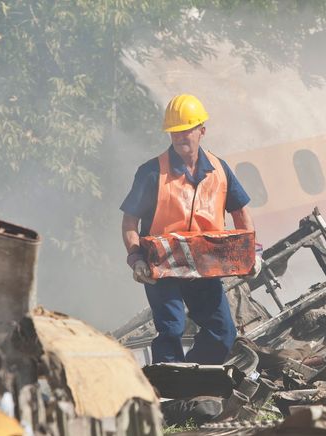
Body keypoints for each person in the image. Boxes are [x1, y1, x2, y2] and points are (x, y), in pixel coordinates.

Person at [120, 94, 255, 364]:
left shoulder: (219, 169)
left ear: (201, 131)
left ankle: (194, 379)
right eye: (175, 132)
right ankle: (171, 392)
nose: (181, 137)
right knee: (171, 329)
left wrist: (253, 254)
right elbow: (129, 222)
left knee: (223, 334)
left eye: (187, 130)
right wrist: (136, 260)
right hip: (161, 267)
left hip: (205, 267)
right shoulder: (151, 172)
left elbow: (241, 213)